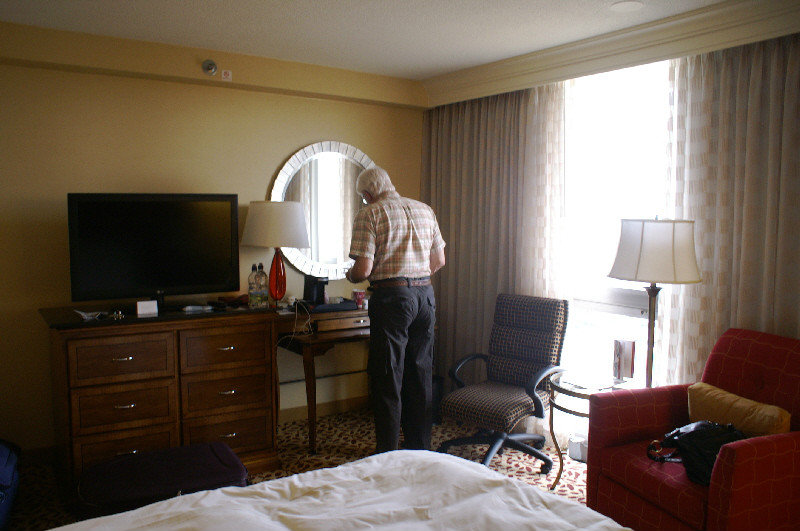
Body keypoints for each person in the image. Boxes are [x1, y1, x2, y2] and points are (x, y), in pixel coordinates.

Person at [345, 166, 446, 453]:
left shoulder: (370, 214)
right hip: (425, 296)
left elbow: (363, 269)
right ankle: (420, 448)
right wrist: (416, 280)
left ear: (367, 194)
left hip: (392, 298)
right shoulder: (425, 210)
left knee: (388, 376)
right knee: (420, 373)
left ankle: (388, 453)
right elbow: (439, 259)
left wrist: (349, 275)